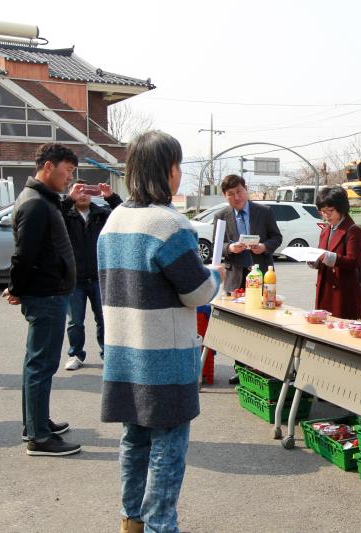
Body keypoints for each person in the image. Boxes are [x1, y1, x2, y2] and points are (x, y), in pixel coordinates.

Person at [97, 130, 222, 533]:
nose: (180, 174)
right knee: (168, 448)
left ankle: (131, 519)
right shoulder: (169, 224)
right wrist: (216, 275)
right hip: (164, 357)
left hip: (124, 350)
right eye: (179, 165)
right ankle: (160, 525)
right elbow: (197, 292)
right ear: (167, 170)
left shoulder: (114, 220)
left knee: (134, 441)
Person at [3, 143, 81, 456]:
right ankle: (38, 436)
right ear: (48, 167)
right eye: (67, 171)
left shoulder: (43, 200)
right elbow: (24, 255)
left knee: (38, 364)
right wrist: (16, 287)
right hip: (46, 295)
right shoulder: (35, 203)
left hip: (50, 292)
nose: (69, 178)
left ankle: (37, 424)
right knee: (41, 365)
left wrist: (67, 202)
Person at [214, 173, 282, 384]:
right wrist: (231, 248)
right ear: (226, 196)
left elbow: (276, 237)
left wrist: (263, 247)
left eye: (239, 192)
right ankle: (241, 368)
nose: (236, 197)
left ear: (246, 189)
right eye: (231, 194)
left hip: (261, 273)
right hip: (236, 275)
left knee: (262, 322)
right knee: (238, 325)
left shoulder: (264, 212)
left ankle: (261, 367)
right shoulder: (221, 216)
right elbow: (219, 246)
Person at [62, 179, 122, 371]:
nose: (83, 194)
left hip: (99, 276)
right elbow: (53, 214)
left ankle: (107, 353)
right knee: (75, 321)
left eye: (88, 190)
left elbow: (123, 214)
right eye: (78, 190)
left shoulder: (101, 214)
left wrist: (111, 197)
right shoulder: (66, 216)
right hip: (74, 279)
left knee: (104, 318)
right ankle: (75, 354)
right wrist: (68, 200)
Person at [310, 186, 361, 319]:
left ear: (341, 208)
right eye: (322, 212)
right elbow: (321, 258)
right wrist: (314, 260)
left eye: (330, 211)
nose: (326, 215)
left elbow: (354, 262)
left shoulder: (353, 230)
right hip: (325, 287)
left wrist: (328, 257)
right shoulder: (325, 230)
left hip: (343, 293)